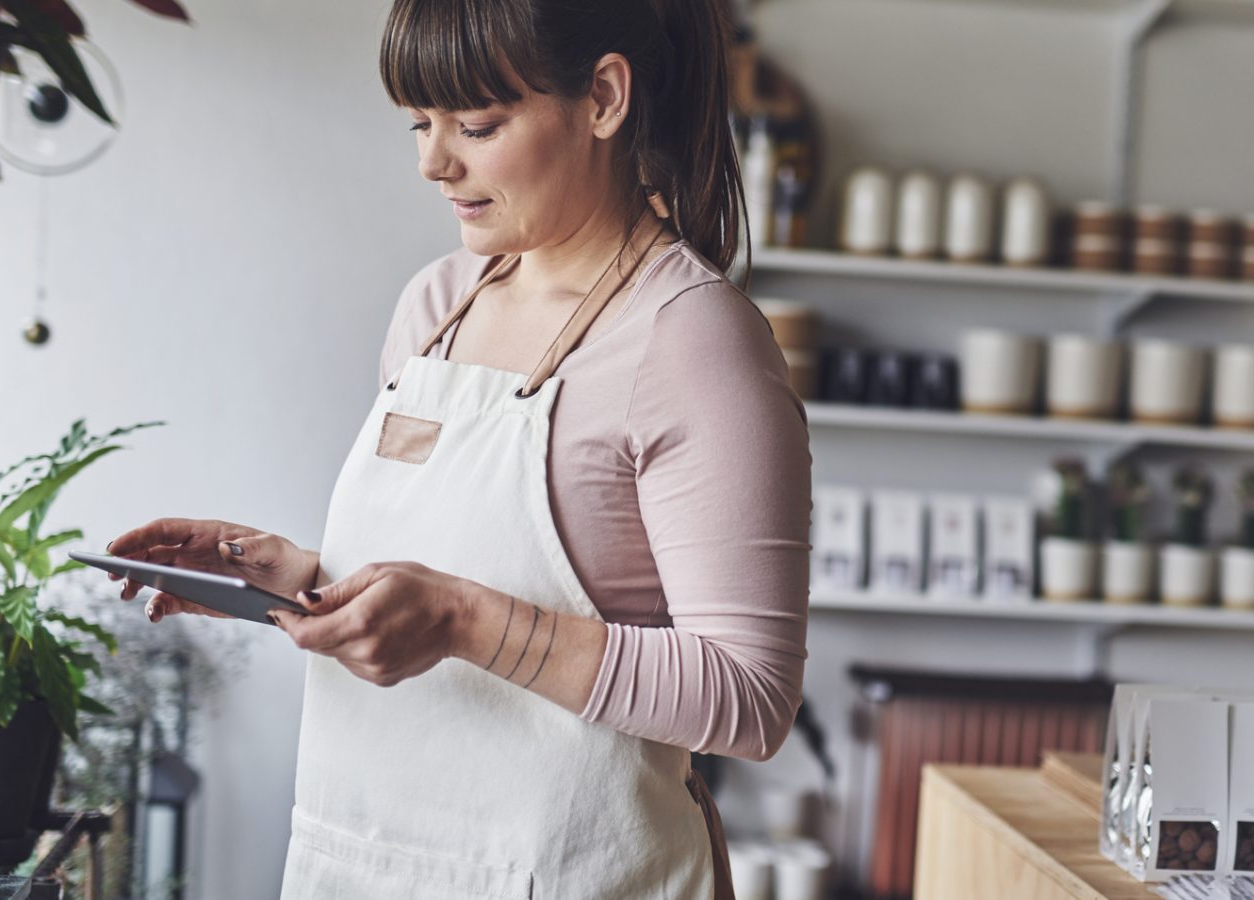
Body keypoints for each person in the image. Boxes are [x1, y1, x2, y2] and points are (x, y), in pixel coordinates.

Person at [103, 0, 811, 895]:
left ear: (602, 96)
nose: (435, 164)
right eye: (419, 122)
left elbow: (749, 697)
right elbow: (458, 582)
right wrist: (299, 580)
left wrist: (464, 623)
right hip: (361, 864)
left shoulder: (692, 341)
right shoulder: (438, 306)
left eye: (477, 125)